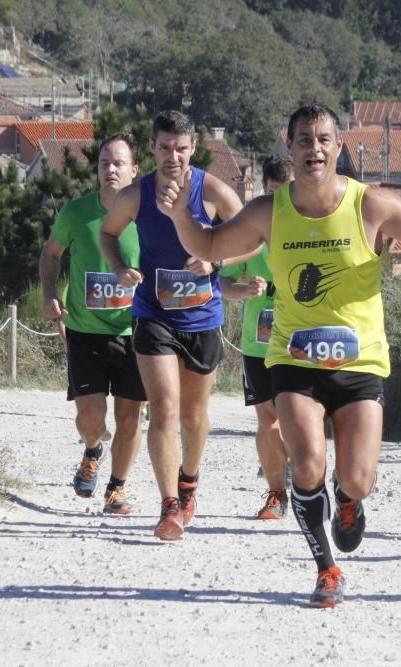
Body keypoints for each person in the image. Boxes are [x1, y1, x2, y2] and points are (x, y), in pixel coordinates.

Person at [156, 102, 401, 607]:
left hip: (359, 360)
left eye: (324, 140)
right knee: (306, 466)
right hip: (294, 358)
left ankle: (348, 502)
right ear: (289, 145)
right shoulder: (268, 211)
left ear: (338, 146)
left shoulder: (370, 204)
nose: (314, 149)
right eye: (304, 140)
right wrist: (177, 216)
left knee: (357, 478)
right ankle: (327, 569)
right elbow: (211, 246)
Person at [99, 111, 245, 541]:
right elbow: (108, 235)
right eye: (165, 147)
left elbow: (251, 238)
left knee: (194, 415)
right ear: (152, 147)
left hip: (201, 316)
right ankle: (168, 505)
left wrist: (215, 259)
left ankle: (189, 482)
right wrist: (119, 267)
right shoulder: (137, 195)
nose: (173, 156)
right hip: (153, 312)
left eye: (181, 149)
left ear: (193, 148)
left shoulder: (214, 191)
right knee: (163, 407)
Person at [39, 132, 146, 514]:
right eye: (104, 163)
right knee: (90, 416)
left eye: (119, 163)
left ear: (135, 170)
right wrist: (50, 293)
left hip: (135, 332)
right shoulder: (76, 212)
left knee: (129, 417)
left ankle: (116, 489)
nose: (111, 169)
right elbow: (51, 254)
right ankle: (92, 449)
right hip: (85, 330)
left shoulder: (148, 215)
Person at [219, 155, 293, 520]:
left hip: (303, 343)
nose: (277, 205)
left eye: (285, 196)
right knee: (268, 420)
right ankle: (276, 495)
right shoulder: (247, 234)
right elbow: (223, 283)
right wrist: (245, 289)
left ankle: (308, 478)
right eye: (271, 196)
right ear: (263, 192)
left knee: (301, 419)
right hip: (258, 343)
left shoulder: (311, 231)